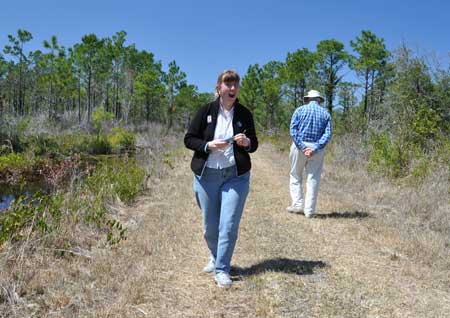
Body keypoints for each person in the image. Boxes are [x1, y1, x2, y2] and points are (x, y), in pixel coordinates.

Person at [184, 70, 258, 288]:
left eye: (235, 85)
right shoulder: (205, 111)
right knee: (210, 227)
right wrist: (208, 145)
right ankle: (215, 255)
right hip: (207, 176)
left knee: (228, 225)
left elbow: (254, 143)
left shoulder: (244, 114)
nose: (232, 88)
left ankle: (222, 269)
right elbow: (189, 139)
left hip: (235, 176)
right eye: (228, 84)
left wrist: (247, 143)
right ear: (219, 88)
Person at [287, 89, 332, 218]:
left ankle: (297, 204)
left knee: (295, 175)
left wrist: (302, 146)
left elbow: (293, 130)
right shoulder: (325, 114)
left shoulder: (299, 110)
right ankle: (309, 211)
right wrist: (315, 147)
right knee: (313, 179)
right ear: (319, 100)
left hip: (299, 147)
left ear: (308, 99)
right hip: (317, 150)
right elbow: (327, 134)